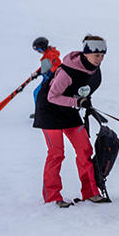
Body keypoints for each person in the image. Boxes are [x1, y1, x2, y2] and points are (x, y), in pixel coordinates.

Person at [32, 35, 111, 207]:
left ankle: (90, 192)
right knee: (56, 153)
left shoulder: (95, 71)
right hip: (49, 111)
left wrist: (83, 102)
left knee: (84, 149)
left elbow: (84, 91)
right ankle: (52, 196)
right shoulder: (68, 71)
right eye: (96, 55)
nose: (100, 59)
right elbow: (53, 96)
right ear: (86, 53)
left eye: (103, 55)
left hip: (69, 112)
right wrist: (76, 102)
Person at [31, 37, 61, 108]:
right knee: (37, 93)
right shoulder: (47, 54)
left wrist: (50, 72)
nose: (39, 52)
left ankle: (40, 112)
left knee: (37, 93)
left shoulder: (51, 54)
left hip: (51, 80)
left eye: (39, 50)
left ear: (43, 48)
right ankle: (41, 111)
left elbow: (57, 65)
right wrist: (37, 73)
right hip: (47, 79)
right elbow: (45, 66)